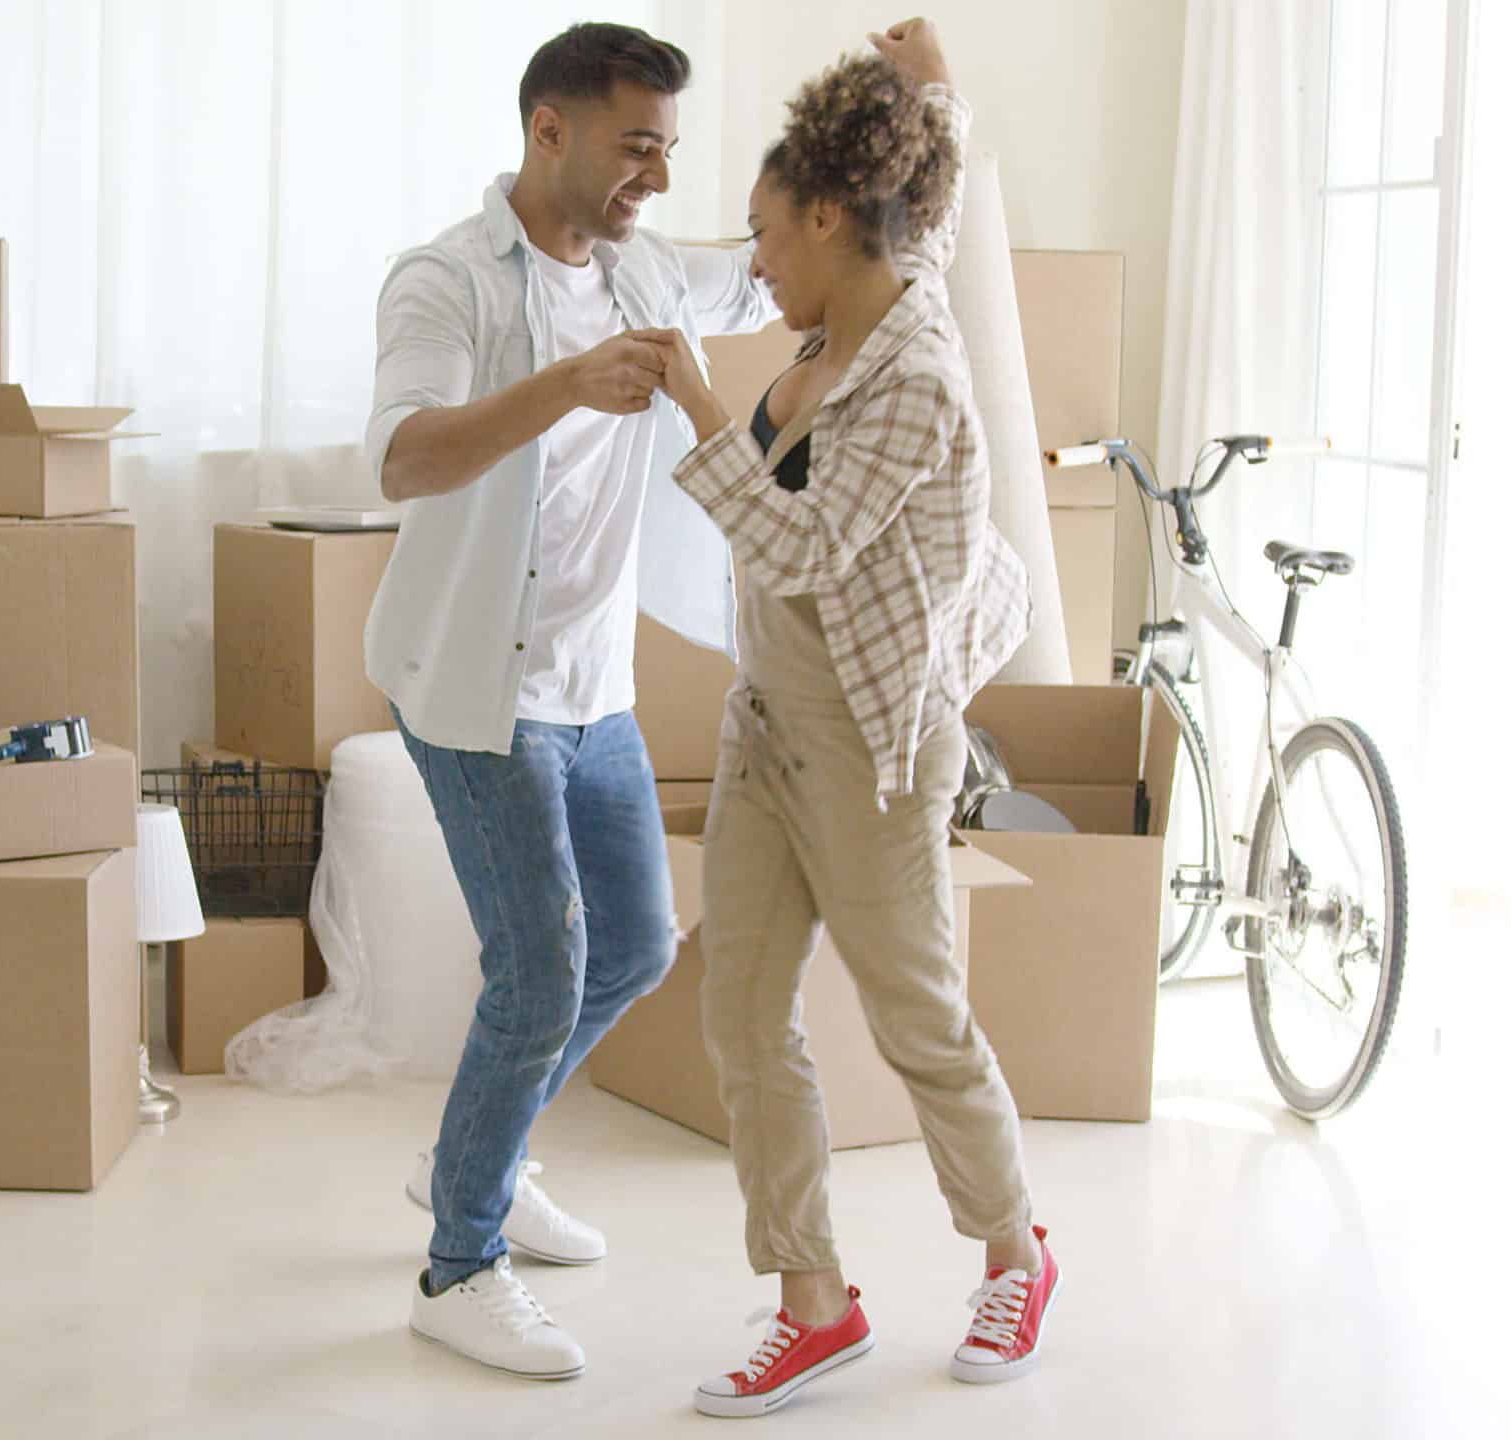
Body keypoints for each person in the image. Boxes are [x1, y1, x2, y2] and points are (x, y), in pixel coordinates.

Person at [639, 20, 1061, 1418]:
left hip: (879, 747)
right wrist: (931, 82)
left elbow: (805, 549)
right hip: (770, 725)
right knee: (744, 1012)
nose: (754, 262)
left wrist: (701, 402)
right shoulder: (868, 290)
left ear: (830, 219)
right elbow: (928, 188)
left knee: (914, 1012)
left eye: (766, 232)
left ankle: (1016, 1251)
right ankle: (812, 1300)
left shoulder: (917, 376)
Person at [360, 21, 775, 1380]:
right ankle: (458, 1264)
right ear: (550, 131)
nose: (655, 174)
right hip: (479, 687)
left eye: (668, 146)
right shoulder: (445, 280)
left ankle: (474, 1161)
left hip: (595, 687)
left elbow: (769, 266)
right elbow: (405, 462)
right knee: (537, 972)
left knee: (637, 947)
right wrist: (560, 388)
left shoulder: (646, 263)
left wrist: (904, 119)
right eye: (634, 144)